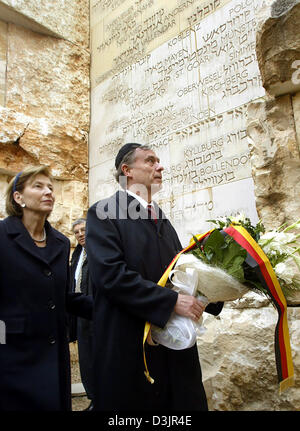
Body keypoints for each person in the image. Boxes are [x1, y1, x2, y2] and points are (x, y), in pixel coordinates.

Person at [86, 143, 223, 411]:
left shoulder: (159, 216)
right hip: (132, 345)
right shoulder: (104, 213)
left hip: (174, 349)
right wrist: (170, 301)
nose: (160, 167)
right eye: (150, 161)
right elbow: (110, 275)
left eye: (158, 161)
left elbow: (179, 271)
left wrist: (215, 290)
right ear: (127, 171)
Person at [0, 166, 93, 411]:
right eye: (38, 186)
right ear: (18, 198)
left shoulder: (61, 243)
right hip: (12, 359)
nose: (48, 192)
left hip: (53, 357)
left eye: (51, 187)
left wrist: (109, 307)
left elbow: (63, 297)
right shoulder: (1, 237)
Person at [69, 218, 94, 411]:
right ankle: (93, 398)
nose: (80, 234)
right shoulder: (78, 254)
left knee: (99, 358)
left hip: (96, 313)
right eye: (76, 232)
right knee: (85, 359)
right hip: (80, 315)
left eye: (83, 230)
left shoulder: (98, 252)